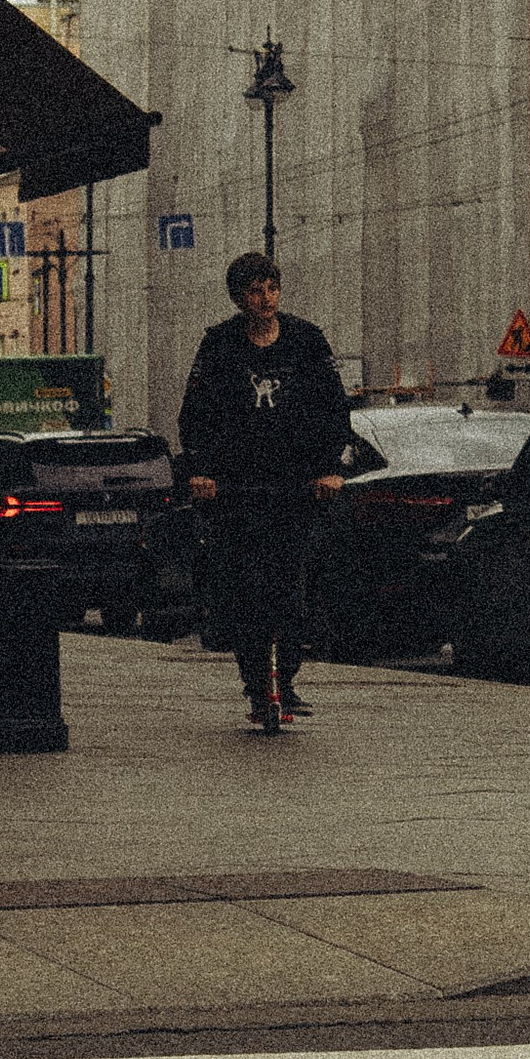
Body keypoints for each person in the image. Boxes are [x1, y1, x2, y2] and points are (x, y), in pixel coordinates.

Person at [179, 253, 350, 735]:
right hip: (237, 490)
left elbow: (333, 410)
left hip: (295, 487)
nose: (266, 298)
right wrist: (201, 470)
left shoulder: (306, 341)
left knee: (293, 589)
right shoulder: (218, 345)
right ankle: (257, 683)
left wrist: (329, 469)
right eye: (255, 290)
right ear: (238, 298)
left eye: (272, 288)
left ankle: (287, 676)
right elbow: (194, 414)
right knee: (245, 590)